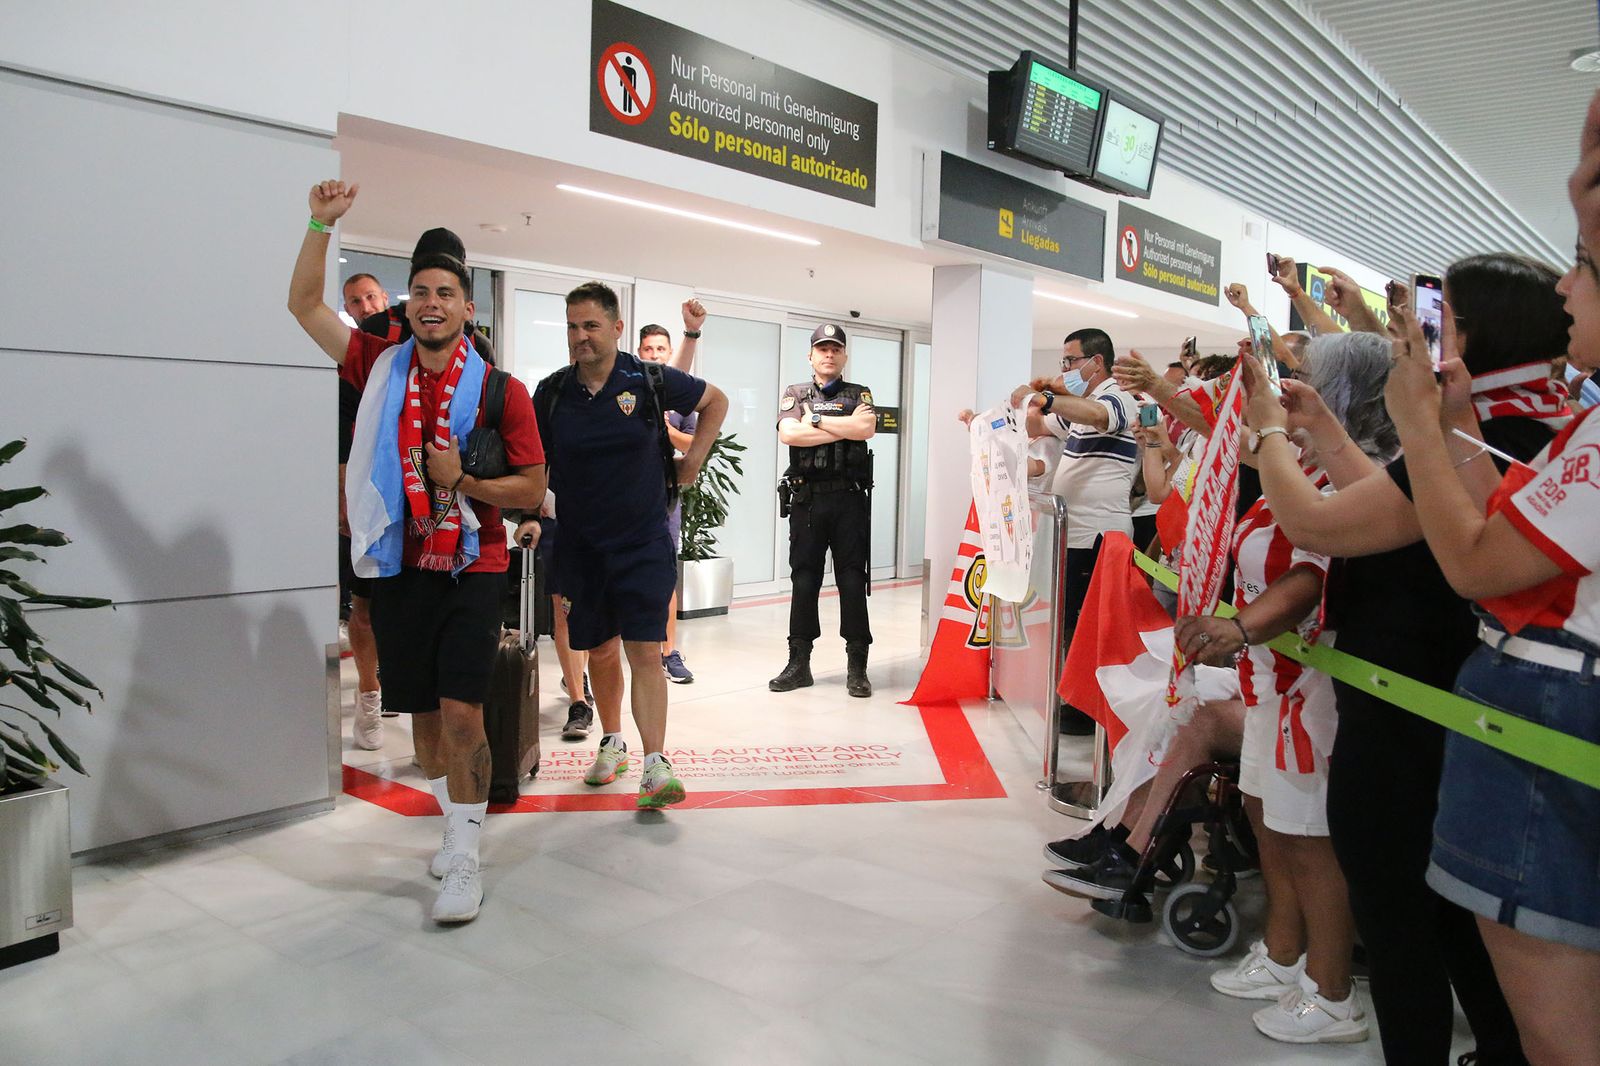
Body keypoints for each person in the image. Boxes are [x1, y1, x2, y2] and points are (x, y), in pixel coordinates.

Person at [1244, 252, 1572, 1063]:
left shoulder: (1490, 433)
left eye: (1440, 321)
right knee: (1459, 931)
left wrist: (1274, 431)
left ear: (1475, 331)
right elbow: (1404, 505)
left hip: (1414, 715)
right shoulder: (1509, 425)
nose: (1421, 341)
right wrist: (1322, 429)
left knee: (1408, 929)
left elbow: (1322, 524)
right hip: (1446, 710)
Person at [1374, 96, 1600, 1066]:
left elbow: (1470, 561)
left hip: (1547, 719)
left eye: (1585, 270)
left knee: (1557, 1028)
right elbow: (1499, 533)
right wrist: (1452, 424)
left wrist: (1418, 427)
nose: (1565, 287)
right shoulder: (1573, 430)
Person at [289, 180, 546, 924]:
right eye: (420, 291)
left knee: (464, 715)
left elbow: (531, 484)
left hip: (473, 565)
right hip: (398, 569)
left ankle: (465, 857)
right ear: (408, 307)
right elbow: (305, 305)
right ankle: (453, 822)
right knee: (427, 727)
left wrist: (460, 478)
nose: (431, 302)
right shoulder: (377, 365)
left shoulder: (503, 390)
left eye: (446, 291)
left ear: (469, 308)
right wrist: (318, 223)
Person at [536, 282, 727, 809]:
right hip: (581, 543)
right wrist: (531, 512)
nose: (580, 337)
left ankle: (655, 763)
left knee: (645, 649)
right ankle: (613, 742)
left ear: (617, 329)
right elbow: (535, 463)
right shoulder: (552, 393)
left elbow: (716, 401)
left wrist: (693, 464)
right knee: (598, 649)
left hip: (643, 539)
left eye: (591, 326)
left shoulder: (647, 379)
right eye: (573, 326)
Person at [1010, 328, 1139, 734]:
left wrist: (1049, 397)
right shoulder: (1080, 408)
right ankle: (1075, 698)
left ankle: (1089, 708)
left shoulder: (1117, 397)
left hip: (1100, 535)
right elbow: (1038, 426)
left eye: (1070, 361)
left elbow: (1100, 417)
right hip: (1073, 535)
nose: (1065, 369)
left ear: (1095, 362)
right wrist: (1009, 411)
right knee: (1069, 621)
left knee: (1090, 625)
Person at [769, 323, 877, 698]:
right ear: (811, 356)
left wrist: (813, 419)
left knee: (850, 579)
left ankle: (857, 665)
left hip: (848, 500)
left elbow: (865, 428)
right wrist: (842, 427)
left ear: (844, 355)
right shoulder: (794, 392)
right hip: (808, 500)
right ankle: (799, 663)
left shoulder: (858, 393)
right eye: (822, 349)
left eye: (835, 349)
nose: (829, 354)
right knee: (804, 580)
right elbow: (789, 434)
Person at [637, 299, 707, 684]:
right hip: (627, 497)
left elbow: (689, 444)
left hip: (664, 499)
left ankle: (669, 652)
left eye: (660, 350)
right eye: (648, 350)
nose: (654, 355)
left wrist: (665, 429)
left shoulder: (681, 401)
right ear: (638, 354)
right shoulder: (628, 390)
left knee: (665, 575)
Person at [339, 273, 390, 750]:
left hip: (425, 501)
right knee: (365, 608)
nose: (365, 306)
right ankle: (370, 695)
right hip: (366, 501)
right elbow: (341, 434)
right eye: (356, 301)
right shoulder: (353, 362)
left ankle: (424, 711)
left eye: (371, 297)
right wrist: (344, 501)